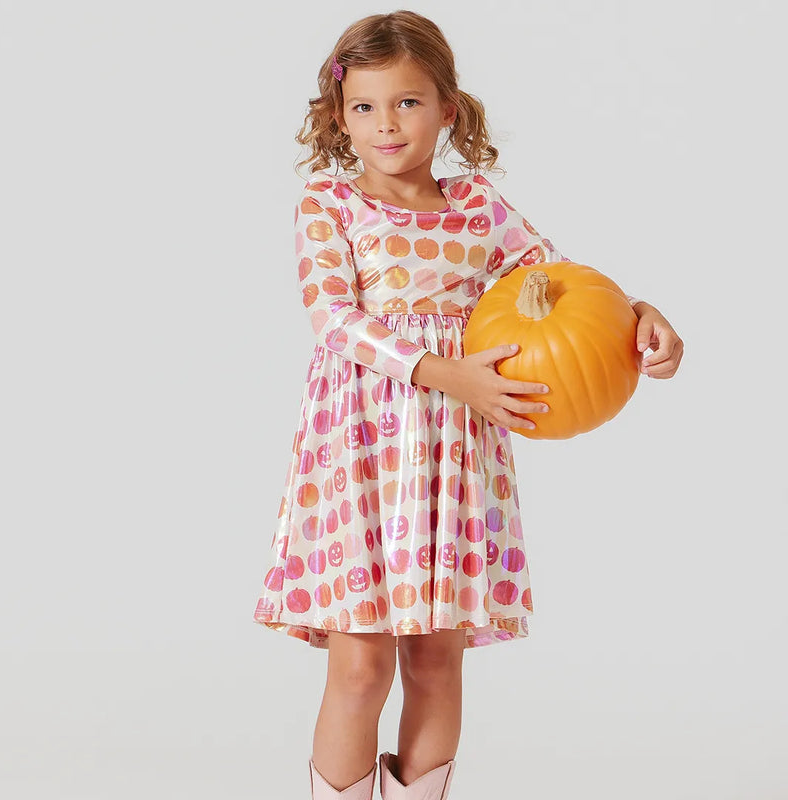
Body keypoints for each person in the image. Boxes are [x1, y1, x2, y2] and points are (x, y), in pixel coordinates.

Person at [252, 10, 684, 800]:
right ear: (338, 116)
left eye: (408, 103)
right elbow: (335, 320)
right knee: (360, 664)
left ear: (448, 106)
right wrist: (447, 374)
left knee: (433, 657)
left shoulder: (479, 207)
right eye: (365, 107)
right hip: (357, 451)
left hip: (453, 452)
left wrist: (643, 312)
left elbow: (562, 284)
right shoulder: (329, 206)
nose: (387, 125)